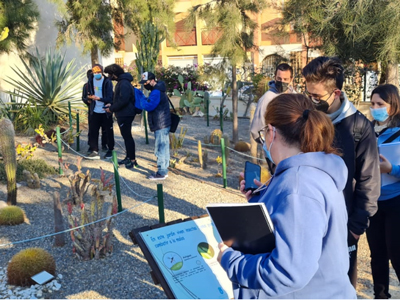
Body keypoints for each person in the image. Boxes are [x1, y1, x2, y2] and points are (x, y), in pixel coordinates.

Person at [219, 94, 356, 299]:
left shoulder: (298, 185)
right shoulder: (316, 171)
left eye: (264, 131)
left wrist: (230, 261)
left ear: (272, 132)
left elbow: (287, 273)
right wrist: (261, 199)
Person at [302, 57, 380, 288]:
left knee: (340, 285)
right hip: (307, 219)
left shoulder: (359, 127)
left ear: (336, 93)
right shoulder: (306, 119)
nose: (311, 101)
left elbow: (368, 180)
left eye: (317, 96)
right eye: (308, 95)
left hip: (343, 226)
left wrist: (356, 228)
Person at [366, 84, 400, 299]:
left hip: (396, 202)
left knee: (397, 254)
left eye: (381, 104)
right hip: (373, 201)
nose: (375, 108)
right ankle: (381, 295)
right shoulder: (366, 129)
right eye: (373, 104)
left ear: (393, 105)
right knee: (377, 255)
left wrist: (392, 169)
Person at [104, 64, 139, 169]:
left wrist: (112, 108)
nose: (109, 76)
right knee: (126, 136)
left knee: (127, 137)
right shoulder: (123, 82)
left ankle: (132, 160)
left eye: (110, 74)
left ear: (114, 74)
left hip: (125, 114)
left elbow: (124, 100)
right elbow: (120, 99)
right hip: (124, 113)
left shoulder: (123, 83)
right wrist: (112, 105)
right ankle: (129, 157)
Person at [138, 71, 171, 180]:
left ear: (152, 80)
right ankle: (164, 169)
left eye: (146, 82)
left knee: (160, 148)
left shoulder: (156, 91)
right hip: (164, 122)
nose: (145, 85)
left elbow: (149, 106)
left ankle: (161, 172)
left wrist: (141, 98)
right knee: (165, 147)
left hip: (160, 123)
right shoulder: (160, 89)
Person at [250, 63, 295, 143]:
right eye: (279, 79)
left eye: (285, 79)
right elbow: (256, 130)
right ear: (275, 78)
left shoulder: (296, 97)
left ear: (291, 79)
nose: (282, 82)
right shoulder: (267, 98)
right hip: (274, 148)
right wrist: (268, 148)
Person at [85, 64, 115, 159]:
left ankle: (110, 149)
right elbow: (87, 94)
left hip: (105, 110)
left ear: (101, 72)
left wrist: (99, 99)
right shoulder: (90, 81)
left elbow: (110, 97)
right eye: (94, 73)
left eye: (98, 72)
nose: (96, 74)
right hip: (94, 110)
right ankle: (94, 150)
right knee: (93, 131)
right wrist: (89, 98)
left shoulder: (107, 82)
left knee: (108, 131)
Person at [81, 69, 108, 153]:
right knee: (93, 130)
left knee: (105, 129)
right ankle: (92, 147)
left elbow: (109, 95)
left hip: (104, 110)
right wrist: (87, 101)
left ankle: (105, 145)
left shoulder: (105, 84)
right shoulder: (86, 86)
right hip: (92, 110)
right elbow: (84, 97)